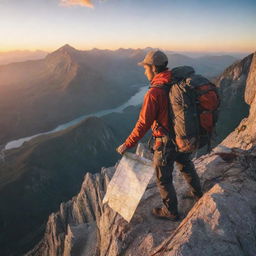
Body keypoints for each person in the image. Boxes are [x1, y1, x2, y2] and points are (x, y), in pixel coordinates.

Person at [117, 50, 203, 221]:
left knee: (163, 178)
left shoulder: (154, 92)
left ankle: (171, 211)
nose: (144, 71)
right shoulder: (176, 81)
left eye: (146, 67)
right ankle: (198, 193)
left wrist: (127, 144)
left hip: (165, 142)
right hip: (182, 136)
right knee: (186, 164)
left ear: (154, 68)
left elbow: (143, 124)